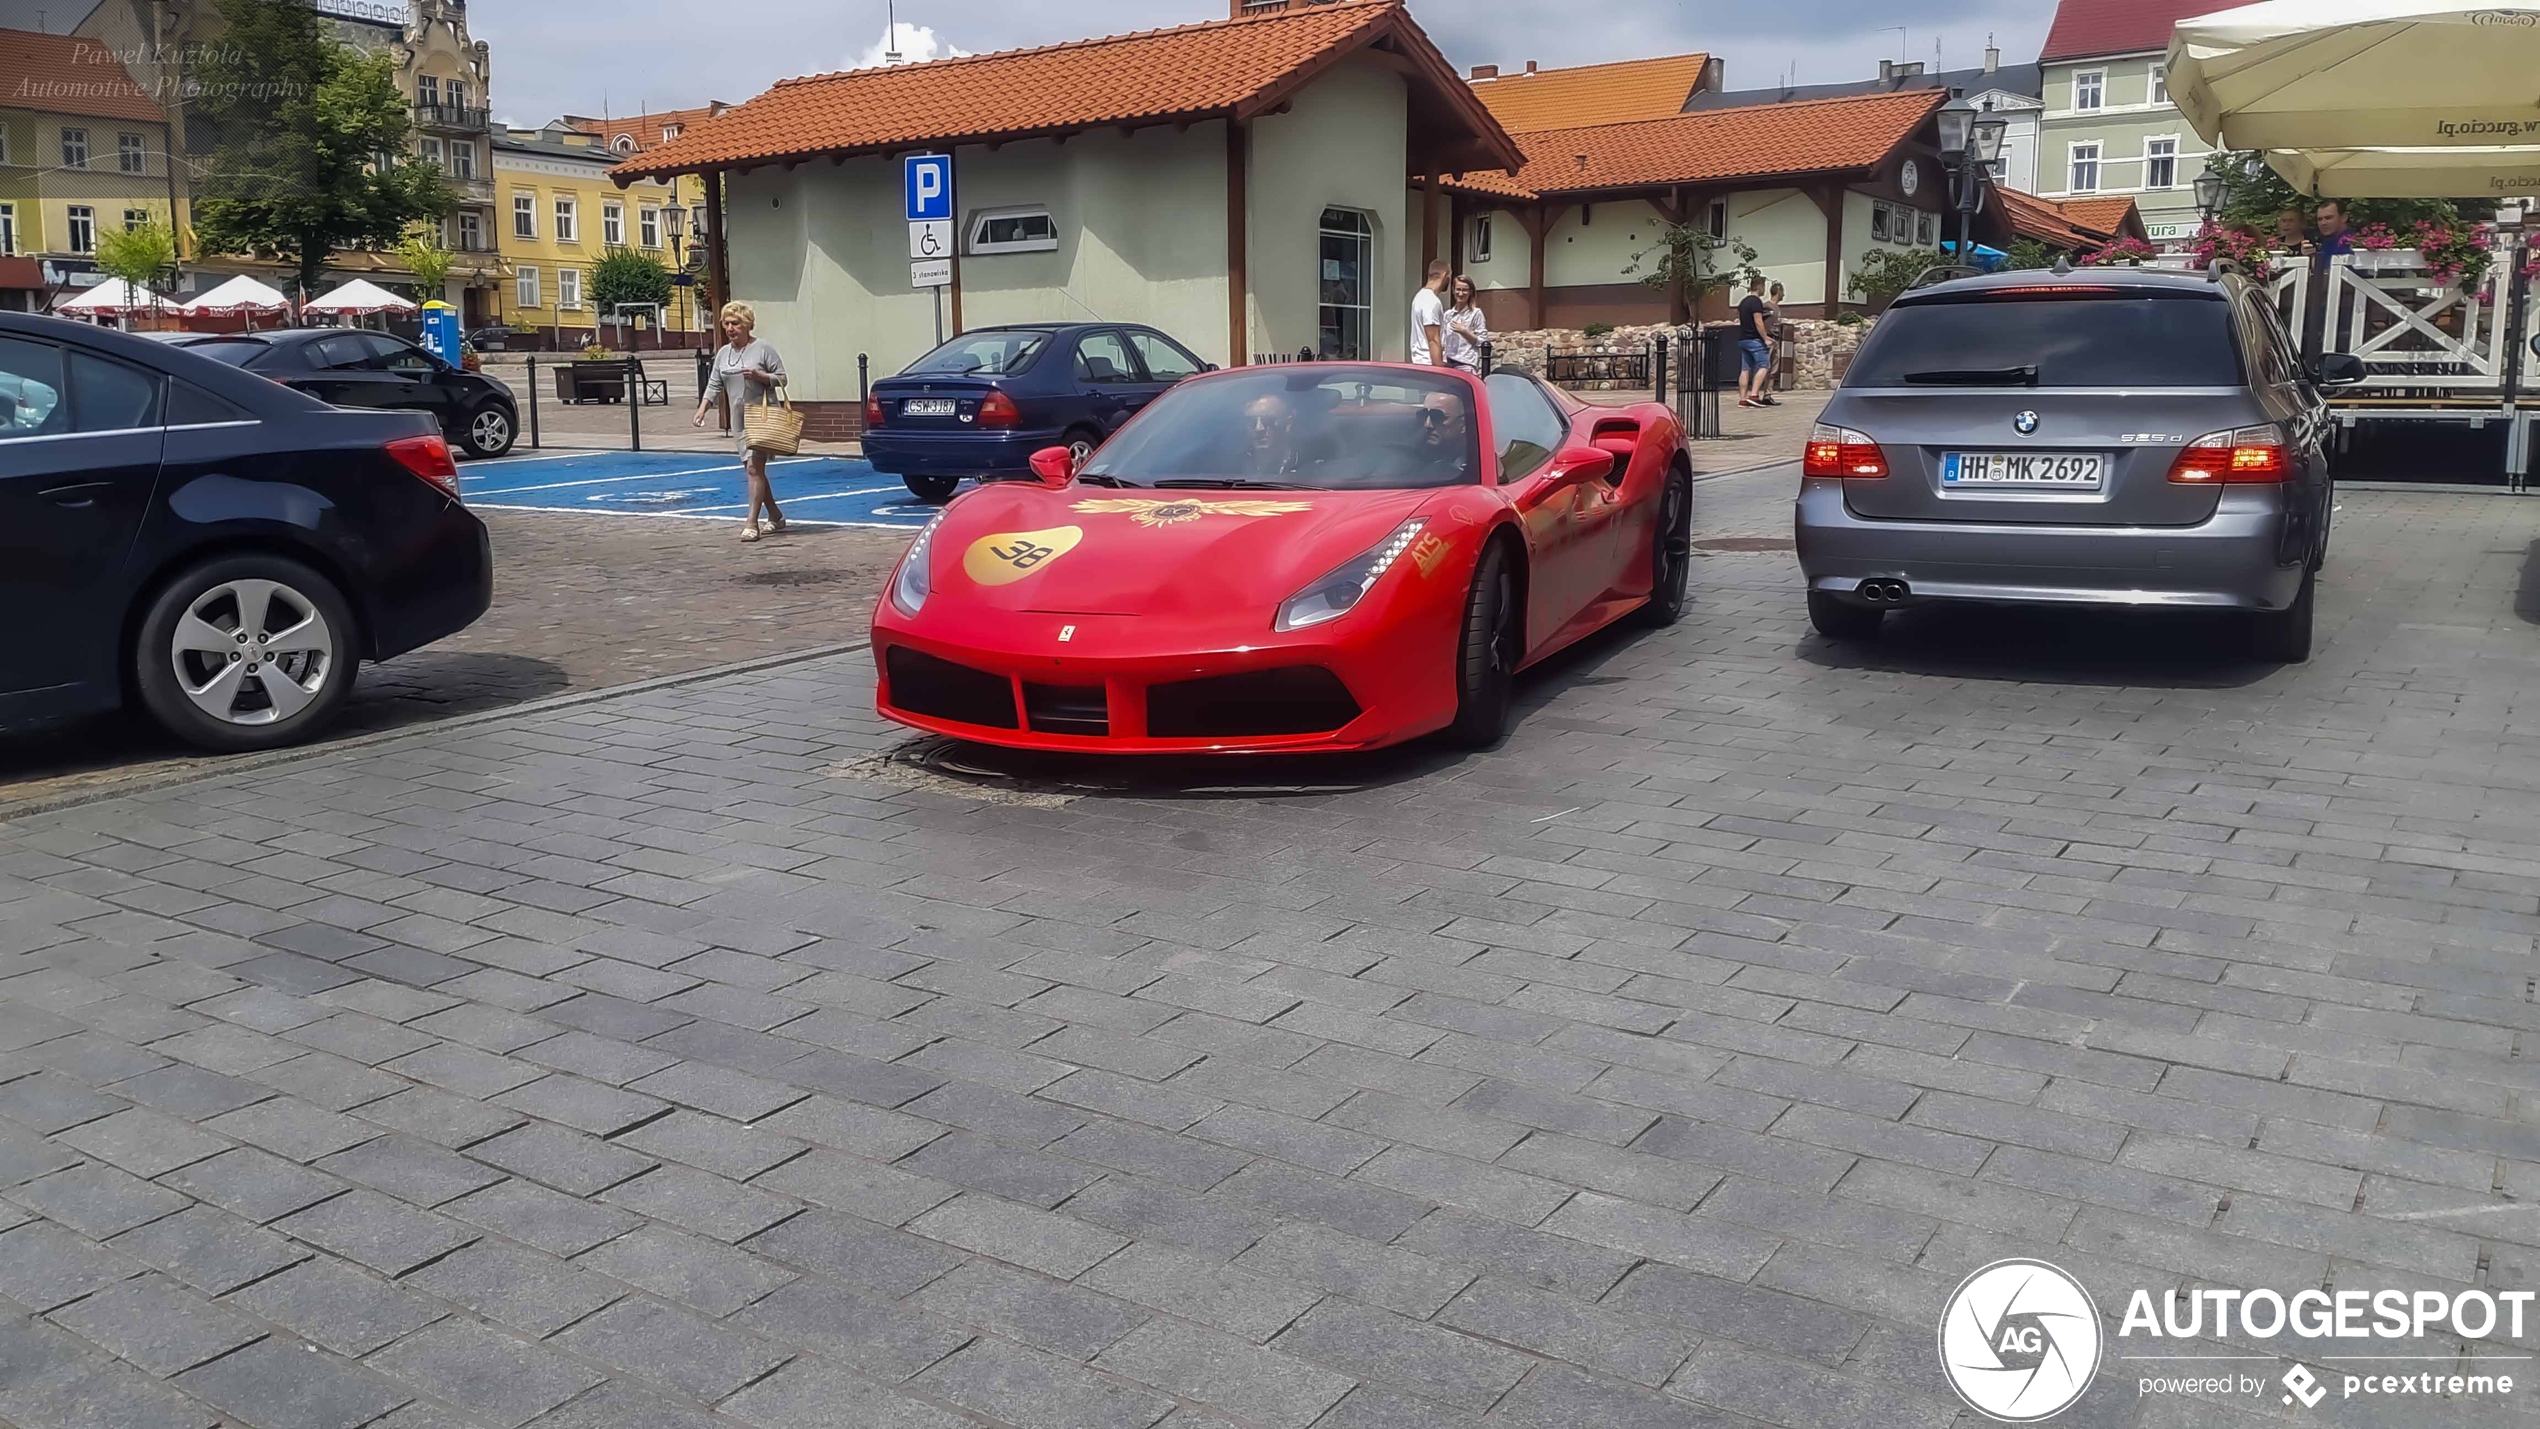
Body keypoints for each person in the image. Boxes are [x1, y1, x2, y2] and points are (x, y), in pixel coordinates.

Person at [691, 301, 788, 542]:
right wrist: (703, 409)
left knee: (755, 468)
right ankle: (775, 514)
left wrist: (761, 376)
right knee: (753, 470)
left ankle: (751, 523)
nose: (730, 328)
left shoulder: (763, 348)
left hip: (761, 415)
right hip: (738, 419)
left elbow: (782, 379)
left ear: (746, 325)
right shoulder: (724, 353)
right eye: (727, 324)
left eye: (735, 323)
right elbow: (714, 383)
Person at [1735, 276, 1774, 408]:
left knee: (1745, 369)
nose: (1764, 290)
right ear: (1759, 287)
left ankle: (1743, 399)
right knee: (1764, 365)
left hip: (1743, 339)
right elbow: (1758, 321)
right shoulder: (1756, 302)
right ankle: (1754, 395)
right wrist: (1765, 338)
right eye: (1764, 287)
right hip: (1754, 340)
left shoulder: (1743, 302)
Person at [1243, 392, 1299, 476]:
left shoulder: (1310, 467)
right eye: (1252, 421)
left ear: (1288, 422)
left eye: (1268, 420)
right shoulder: (1227, 466)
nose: (1259, 428)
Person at [1443, 276, 1490, 373]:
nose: (1460, 293)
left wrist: (1464, 332)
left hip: (1466, 364)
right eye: (1458, 289)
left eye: (1464, 290)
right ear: (1453, 290)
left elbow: (1483, 342)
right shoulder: (1448, 314)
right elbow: (1442, 340)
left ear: (1470, 292)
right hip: (1448, 362)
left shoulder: (1476, 313)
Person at [1410, 259, 1451, 367]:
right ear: (1445, 275)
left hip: (1420, 362)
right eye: (1449, 277)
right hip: (1429, 364)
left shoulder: (1419, 296)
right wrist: (1439, 366)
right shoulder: (1431, 301)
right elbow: (1433, 339)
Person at [2312, 198, 2353, 274]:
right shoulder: (2320, 243)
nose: (2323, 223)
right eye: (2320, 219)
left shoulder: (2357, 243)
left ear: (2344, 217)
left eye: (2328, 218)